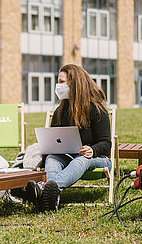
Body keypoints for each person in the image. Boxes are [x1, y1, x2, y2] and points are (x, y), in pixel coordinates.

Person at [25, 64, 112, 211]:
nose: (58, 86)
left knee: (81, 161)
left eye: (61, 82)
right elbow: (52, 140)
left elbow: (106, 143)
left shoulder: (96, 109)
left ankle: (44, 191)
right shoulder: (60, 110)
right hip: (67, 156)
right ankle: (51, 198)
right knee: (52, 158)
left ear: (74, 84)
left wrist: (92, 150)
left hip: (96, 158)